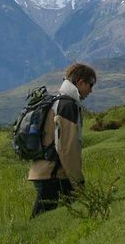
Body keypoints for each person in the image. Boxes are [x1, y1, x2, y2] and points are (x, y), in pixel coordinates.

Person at [28, 62, 96, 217]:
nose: (91, 91)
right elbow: (67, 148)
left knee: (63, 218)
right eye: (90, 85)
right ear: (80, 82)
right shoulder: (67, 106)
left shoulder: (58, 101)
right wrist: (77, 181)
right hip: (54, 174)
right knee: (41, 222)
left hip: (46, 171)